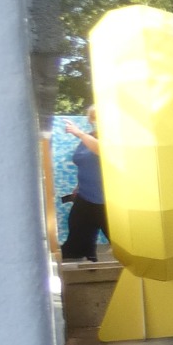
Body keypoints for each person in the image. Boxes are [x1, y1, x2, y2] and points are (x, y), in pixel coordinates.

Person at [60, 108, 107, 261]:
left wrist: (79, 133)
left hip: (108, 203)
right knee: (77, 236)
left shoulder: (115, 138)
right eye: (93, 118)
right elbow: (85, 163)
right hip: (85, 197)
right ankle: (84, 258)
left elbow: (102, 150)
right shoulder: (89, 137)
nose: (95, 121)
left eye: (99, 117)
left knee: (125, 243)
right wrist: (79, 186)